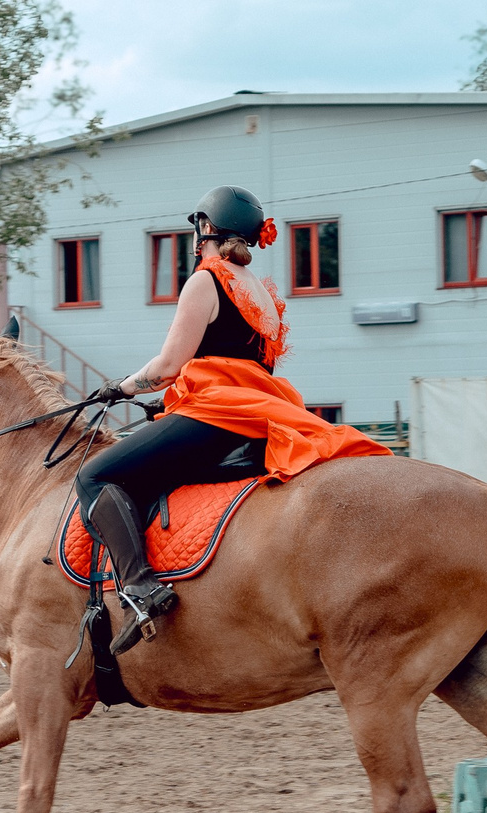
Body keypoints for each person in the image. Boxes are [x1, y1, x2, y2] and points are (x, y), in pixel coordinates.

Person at [74, 186, 388, 652]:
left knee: (94, 476)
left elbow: (167, 367)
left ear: (208, 228)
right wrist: (167, 406)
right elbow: (238, 367)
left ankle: (139, 589)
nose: (197, 240)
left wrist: (120, 387)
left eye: (199, 230)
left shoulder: (206, 280)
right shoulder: (263, 295)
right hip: (258, 416)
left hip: (216, 418)